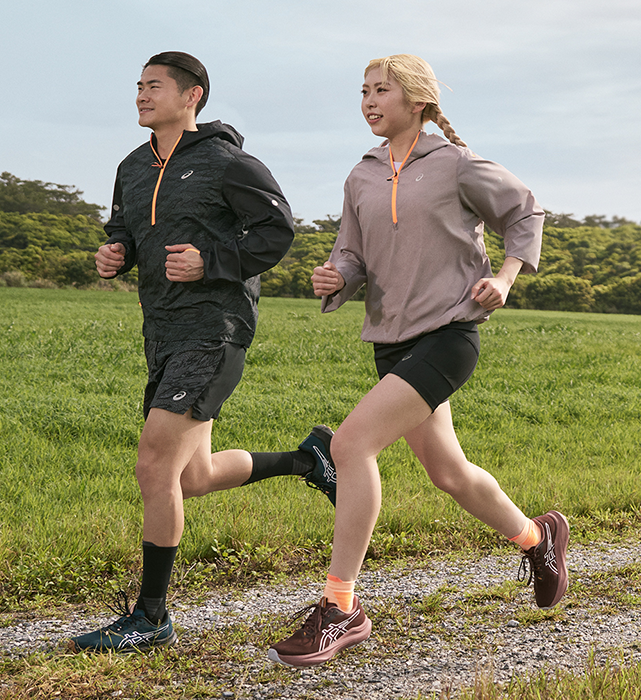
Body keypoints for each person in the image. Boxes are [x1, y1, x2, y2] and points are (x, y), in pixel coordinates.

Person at [265, 54, 567, 668]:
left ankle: (341, 606)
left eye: (383, 91)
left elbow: (526, 211)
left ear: (418, 101)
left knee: (350, 446)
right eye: (364, 91)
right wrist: (335, 276)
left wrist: (506, 276)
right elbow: (351, 254)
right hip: (390, 339)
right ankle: (538, 539)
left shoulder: (455, 164)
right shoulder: (361, 175)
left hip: (450, 333)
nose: (369, 101)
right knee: (449, 473)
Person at [71, 51, 337, 652]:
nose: (141, 95)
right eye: (137, 86)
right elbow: (127, 231)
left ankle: (151, 616)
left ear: (192, 96)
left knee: (153, 464)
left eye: (154, 86)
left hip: (214, 329)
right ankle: (306, 459)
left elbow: (277, 231)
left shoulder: (227, 163)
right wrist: (116, 255)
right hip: (160, 332)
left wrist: (211, 262)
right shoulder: (132, 167)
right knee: (193, 476)